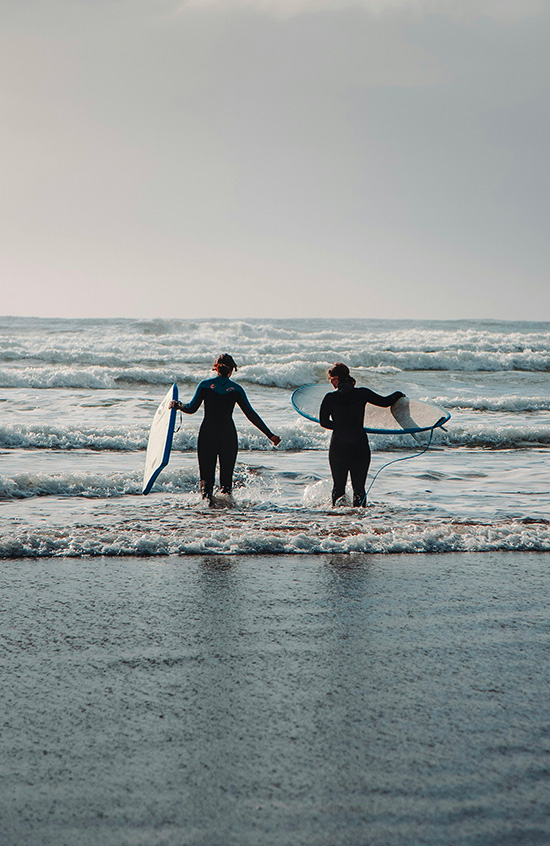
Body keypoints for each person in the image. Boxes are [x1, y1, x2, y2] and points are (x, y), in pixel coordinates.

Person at [170, 354, 281, 505]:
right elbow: (251, 414)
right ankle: (227, 516)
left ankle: (205, 511)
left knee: (206, 480)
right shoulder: (236, 389)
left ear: (215, 368)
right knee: (226, 483)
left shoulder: (204, 385)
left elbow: (190, 408)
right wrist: (270, 435)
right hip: (227, 436)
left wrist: (176, 404)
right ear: (232, 369)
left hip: (207, 435)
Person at [320, 362, 405, 508]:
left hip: (339, 446)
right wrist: (399, 394)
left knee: (338, 487)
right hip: (359, 445)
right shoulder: (362, 393)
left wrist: (341, 426)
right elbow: (385, 402)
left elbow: (324, 422)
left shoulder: (330, 398)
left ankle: (336, 522)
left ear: (337, 378)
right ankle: (360, 522)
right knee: (359, 489)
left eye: (331, 379)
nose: (331, 383)